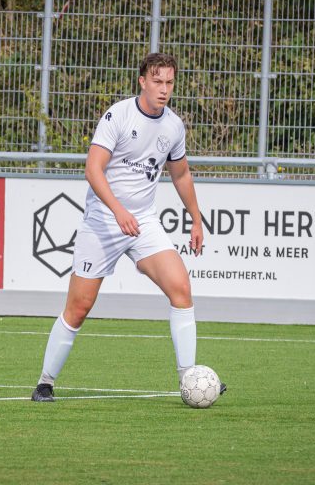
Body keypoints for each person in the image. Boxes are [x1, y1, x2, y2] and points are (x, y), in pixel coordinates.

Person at [31, 53, 224, 402]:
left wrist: (197, 219)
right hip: (103, 222)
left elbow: (180, 173)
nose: (164, 89)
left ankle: (189, 378)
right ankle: (45, 382)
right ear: (142, 82)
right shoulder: (117, 115)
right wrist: (118, 211)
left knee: (181, 287)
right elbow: (93, 170)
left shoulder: (173, 126)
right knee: (79, 307)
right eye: (157, 81)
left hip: (144, 221)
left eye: (169, 82)